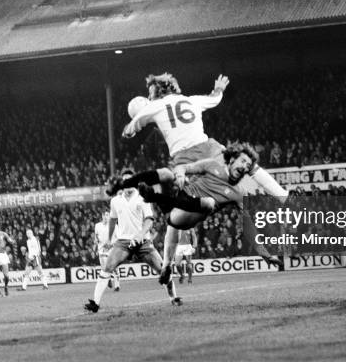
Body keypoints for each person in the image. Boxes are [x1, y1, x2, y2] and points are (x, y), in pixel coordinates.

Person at [116, 73, 286, 274]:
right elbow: (214, 99)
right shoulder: (191, 100)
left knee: (175, 213)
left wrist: (131, 127)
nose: (150, 95)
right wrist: (219, 89)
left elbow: (128, 131)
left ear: (157, 91)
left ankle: (167, 264)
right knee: (248, 166)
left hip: (184, 159)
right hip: (209, 149)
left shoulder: (153, 106)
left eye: (150, 92)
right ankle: (283, 197)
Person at [127, 142, 280, 284]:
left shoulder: (239, 193)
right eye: (243, 161)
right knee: (168, 178)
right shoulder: (211, 165)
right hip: (180, 203)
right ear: (232, 159)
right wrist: (180, 175)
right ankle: (166, 266)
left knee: (208, 203)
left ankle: (154, 196)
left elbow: (248, 227)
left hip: (190, 215)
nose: (245, 167)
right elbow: (183, 168)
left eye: (248, 165)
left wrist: (265, 253)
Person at [84, 170, 182, 313]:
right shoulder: (115, 201)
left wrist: (140, 235)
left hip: (143, 242)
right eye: (125, 181)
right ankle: (95, 303)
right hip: (123, 242)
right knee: (107, 267)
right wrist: (111, 238)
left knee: (162, 270)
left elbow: (149, 220)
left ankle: (174, 297)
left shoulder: (143, 198)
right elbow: (112, 219)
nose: (128, 184)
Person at [93, 211, 120, 292]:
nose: (106, 216)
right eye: (104, 215)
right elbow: (96, 237)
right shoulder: (97, 226)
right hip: (102, 250)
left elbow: (119, 238)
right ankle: (108, 280)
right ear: (102, 215)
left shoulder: (114, 226)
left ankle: (117, 285)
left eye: (107, 215)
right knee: (104, 268)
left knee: (114, 267)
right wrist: (95, 244)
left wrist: (111, 245)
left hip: (112, 249)